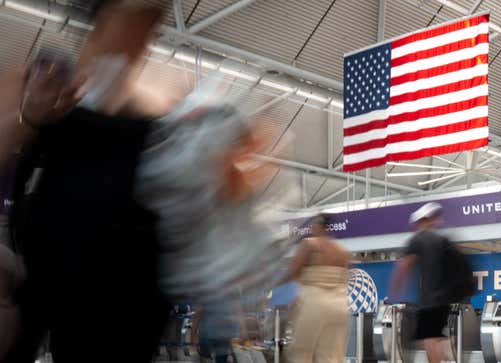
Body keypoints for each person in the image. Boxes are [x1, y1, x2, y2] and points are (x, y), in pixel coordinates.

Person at [0, 2, 288, 362]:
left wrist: (229, 175)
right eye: (137, 16)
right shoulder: (38, 81)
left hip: (131, 308)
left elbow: (199, 209)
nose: (146, 34)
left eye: (154, 22)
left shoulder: (157, 113)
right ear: (103, 14)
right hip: (48, 292)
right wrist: (31, 116)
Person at [390, 202, 473, 363]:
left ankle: (448, 346)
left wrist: (395, 290)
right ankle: (448, 345)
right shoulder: (443, 240)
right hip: (446, 299)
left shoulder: (418, 239)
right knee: (434, 336)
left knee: (429, 339)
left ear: (422, 220)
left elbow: (405, 265)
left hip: (429, 299)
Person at [286, 214, 351, 363]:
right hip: (339, 304)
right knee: (329, 356)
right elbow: (346, 278)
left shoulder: (310, 244)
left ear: (318, 225)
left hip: (315, 302)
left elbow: (293, 271)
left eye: (313, 224)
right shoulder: (341, 251)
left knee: (301, 353)